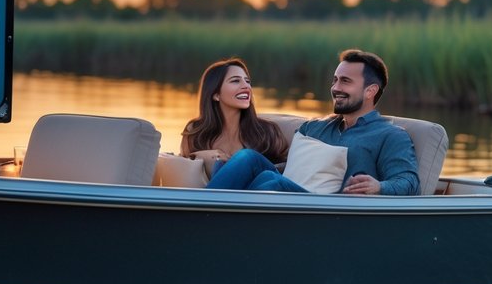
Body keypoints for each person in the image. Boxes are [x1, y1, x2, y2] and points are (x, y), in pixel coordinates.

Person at [206, 49, 420, 195]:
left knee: (273, 182)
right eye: (335, 80)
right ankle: (202, 210)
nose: (335, 88)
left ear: (370, 91)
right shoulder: (316, 128)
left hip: (323, 209)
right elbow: (293, 169)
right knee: (247, 158)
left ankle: (213, 219)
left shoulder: (390, 135)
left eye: (345, 81)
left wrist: (378, 187)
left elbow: (409, 182)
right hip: (289, 194)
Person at [180, 58, 290, 177]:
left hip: (260, 187)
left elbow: (287, 168)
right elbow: (184, 164)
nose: (246, 86)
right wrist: (208, 156)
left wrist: (245, 165)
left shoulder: (266, 131)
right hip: (230, 192)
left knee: (247, 157)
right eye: (236, 81)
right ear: (216, 94)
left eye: (247, 81)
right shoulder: (197, 131)